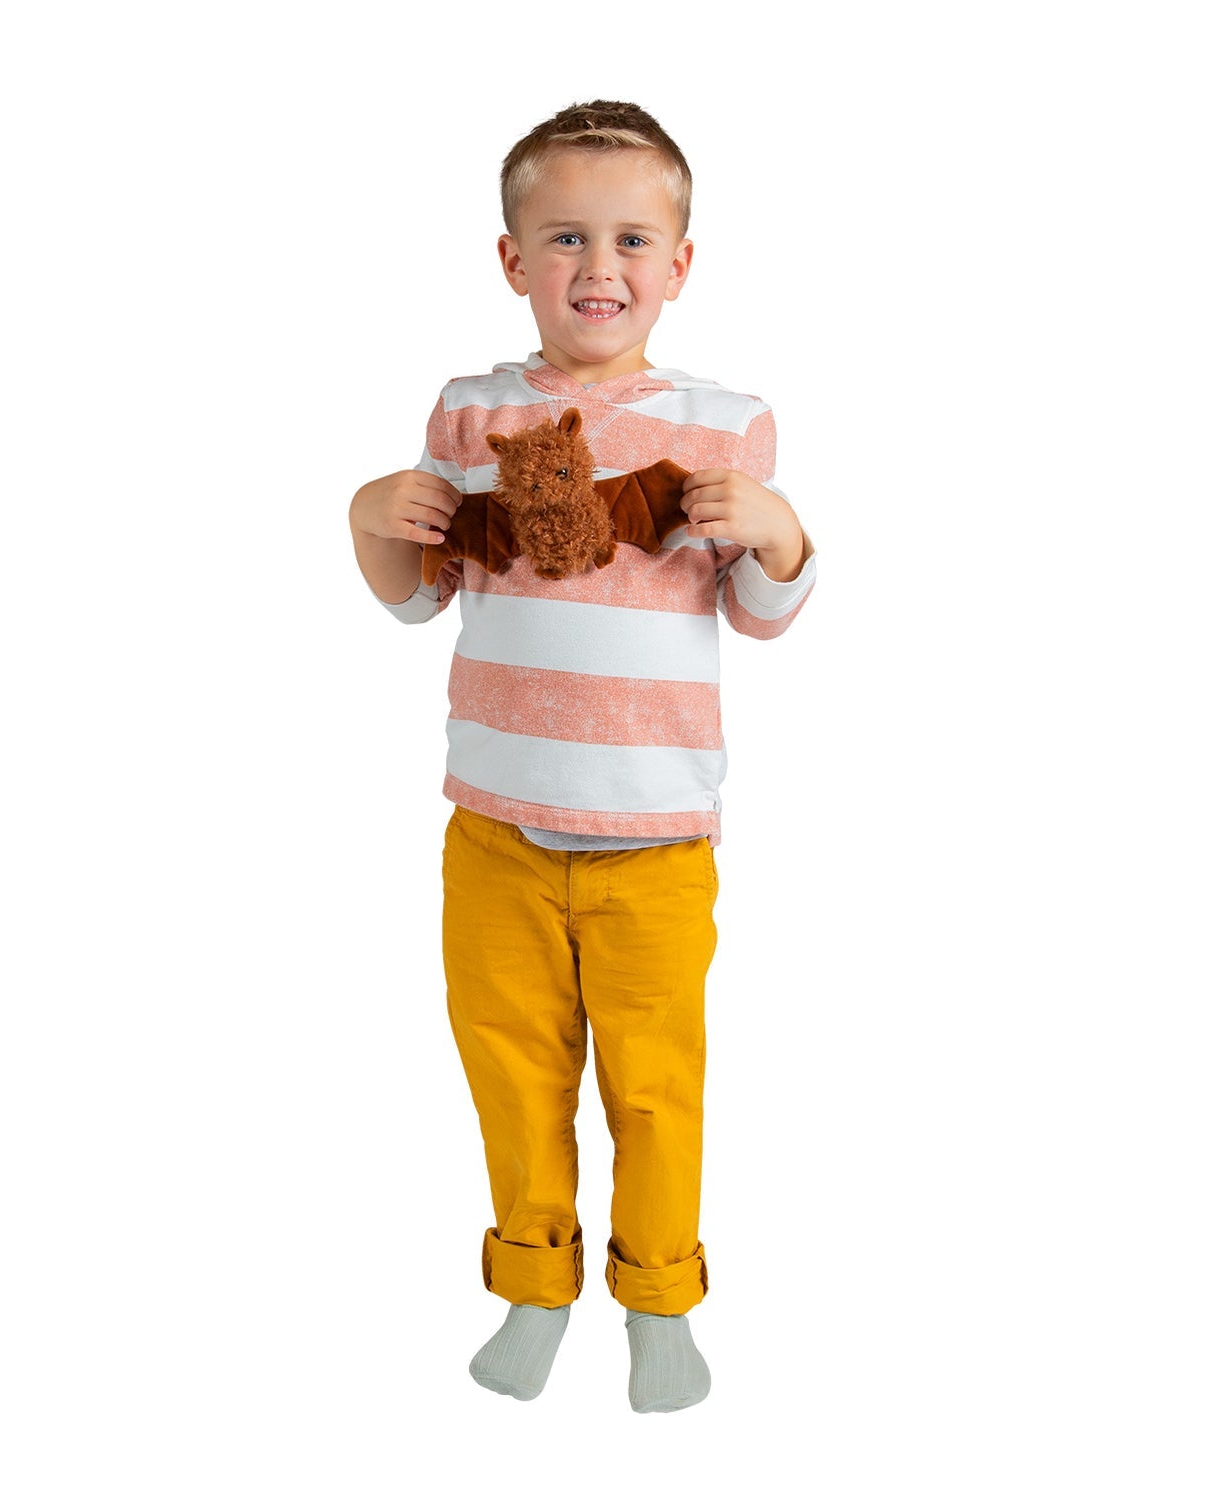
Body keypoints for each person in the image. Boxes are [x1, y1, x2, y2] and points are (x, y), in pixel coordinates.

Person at [348, 101, 816, 1413]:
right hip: (496, 827)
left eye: (629, 239)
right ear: (513, 260)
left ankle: (660, 1301)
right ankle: (533, 1283)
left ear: (679, 263)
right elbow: (413, 597)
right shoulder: (470, 412)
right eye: (564, 237)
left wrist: (779, 532)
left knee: (656, 1092)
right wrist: (369, 518)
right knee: (511, 1073)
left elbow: (763, 612)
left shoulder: (724, 423)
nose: (597, 267)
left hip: (655, 839)